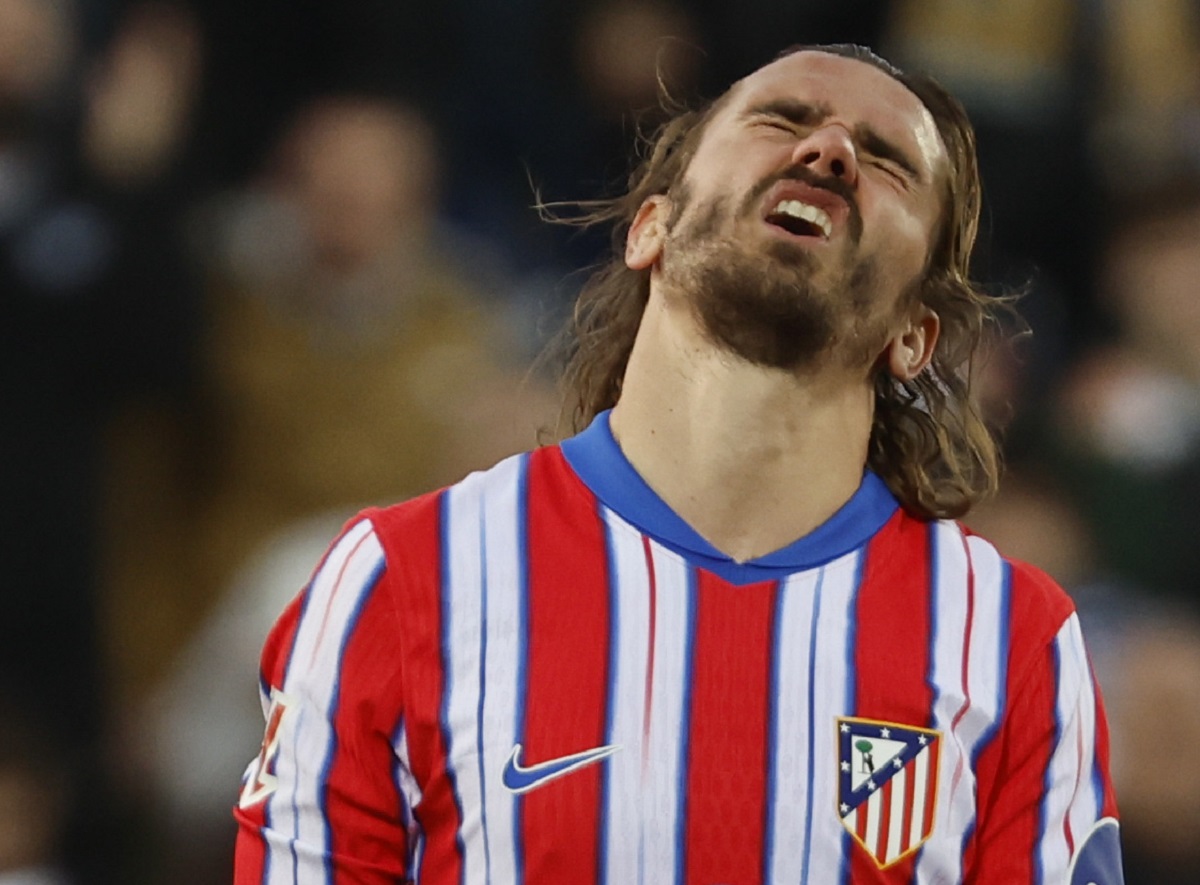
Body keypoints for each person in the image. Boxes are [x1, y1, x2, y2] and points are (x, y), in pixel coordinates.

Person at [233, 44, 1123, 883]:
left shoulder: (1012, 641)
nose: (830, 150)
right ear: (650, 225)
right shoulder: (401, 582)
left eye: (888, 160)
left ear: (914, 338)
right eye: (781, 119)